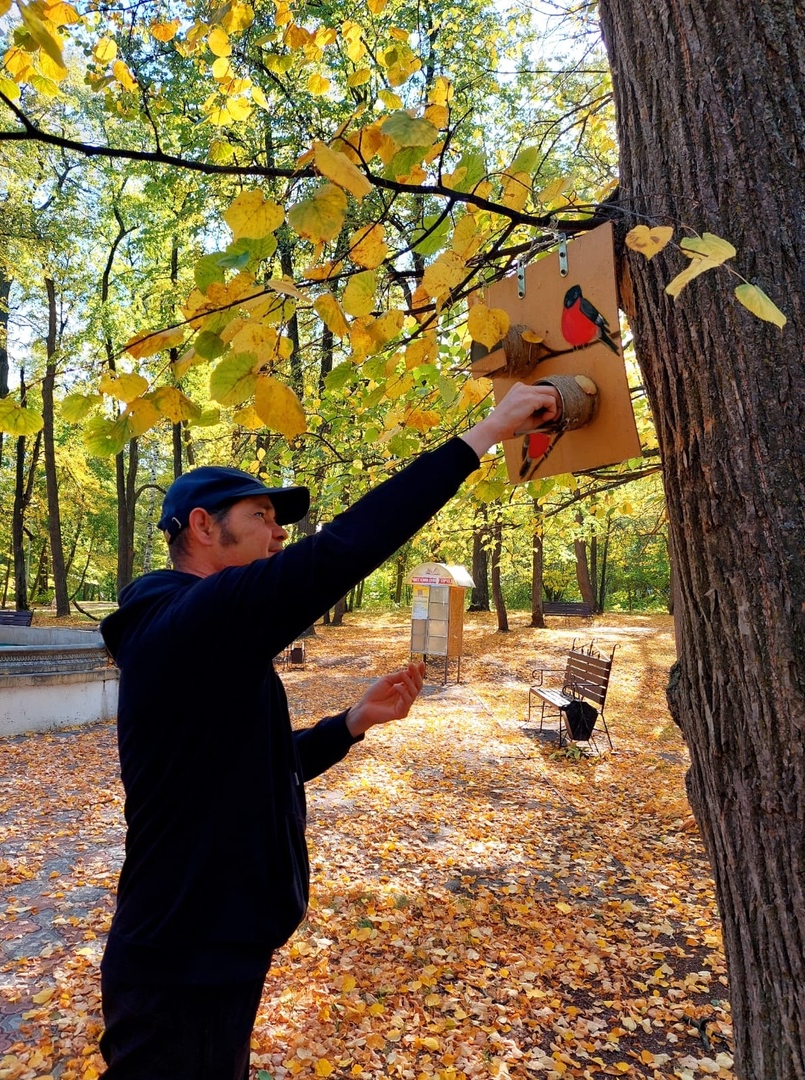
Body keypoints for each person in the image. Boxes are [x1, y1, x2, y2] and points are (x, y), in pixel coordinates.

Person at [98, 381, 562, 1079]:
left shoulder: (209, 635)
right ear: (202, 527)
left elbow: (251, 763)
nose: (279, 532)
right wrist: (484, 435)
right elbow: (340, 551)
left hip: (219, 945)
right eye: (260, 516)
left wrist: (350, 723)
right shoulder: (188, 622)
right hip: (178, 962)